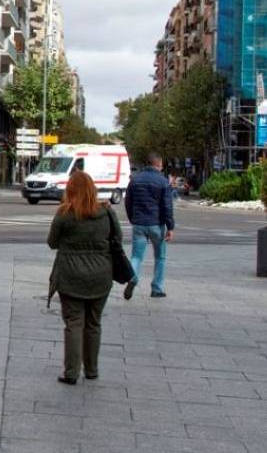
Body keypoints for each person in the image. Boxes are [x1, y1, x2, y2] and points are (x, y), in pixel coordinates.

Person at [46, 171, 118, 385]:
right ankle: (92, 369)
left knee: (74, 323)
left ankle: (71, 372)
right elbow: (118, 239)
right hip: (101, 275)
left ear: (70, 190)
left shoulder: (65, 213)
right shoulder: (107, 212)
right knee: (94, 323)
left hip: (70, 275)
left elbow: (52, 242)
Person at [123, 153, 175, 300]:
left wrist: (133, 219)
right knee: (160, 257)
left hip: (139, 223)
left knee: (136, 257)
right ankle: (157, 288)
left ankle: (133, 278)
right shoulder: (163, 181)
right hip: (156, 225)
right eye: (162, 165)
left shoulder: (135, 179)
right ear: (158, 165)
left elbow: (128, 202)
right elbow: (167, 207)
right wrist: (170, 227)